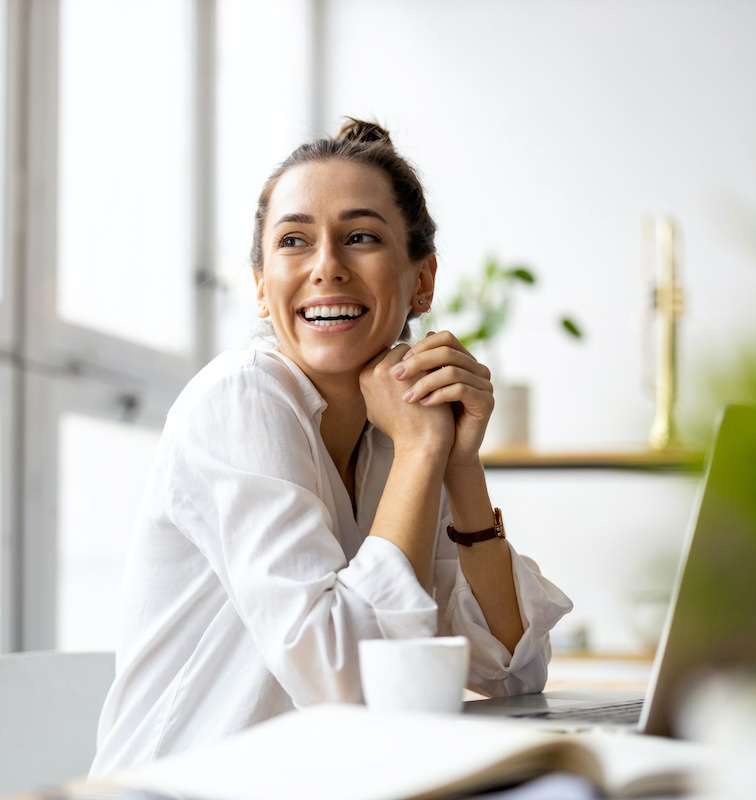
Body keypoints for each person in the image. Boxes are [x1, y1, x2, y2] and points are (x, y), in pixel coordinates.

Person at [89, 118, 572, 775]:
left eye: (361, 237)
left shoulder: (395, 432)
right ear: (262, 285)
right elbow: (345, 684)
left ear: (422, 280)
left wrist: (458, 462)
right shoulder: (242, 399)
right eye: (294, 240)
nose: (326, 267)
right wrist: (423, 455)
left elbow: (514, 673)